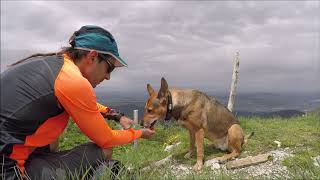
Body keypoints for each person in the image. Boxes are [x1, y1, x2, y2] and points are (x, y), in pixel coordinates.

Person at [0, 25, 155, 179]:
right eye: (110, 68)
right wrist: (139, 133)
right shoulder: (73, 82)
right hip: (8, 171)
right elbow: (106, 138)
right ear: (92, 57)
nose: (108, 77)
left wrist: (117, 116)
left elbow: (87, 105)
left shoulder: (57, 67)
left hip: (10, 151)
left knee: (51, 138)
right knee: (104, 149)